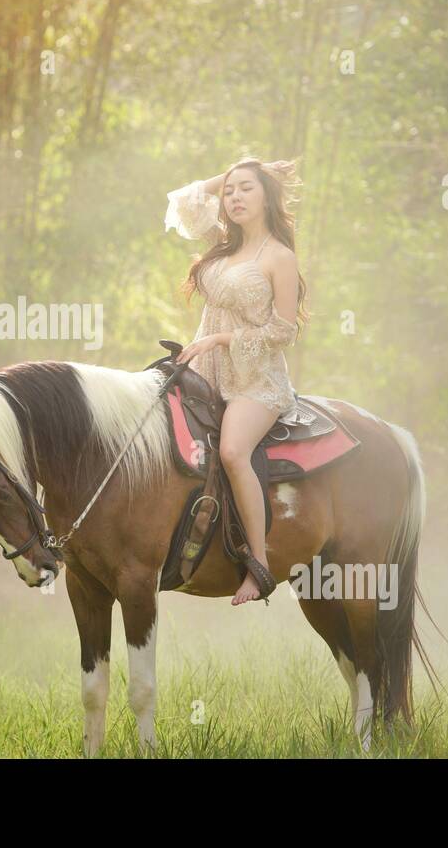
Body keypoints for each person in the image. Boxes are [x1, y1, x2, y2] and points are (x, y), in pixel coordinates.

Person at [164, 157, 309, 605]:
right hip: (204, 369)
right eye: (229, 192)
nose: (234, 197)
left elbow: (285, 331)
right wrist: (239, 170)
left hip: (254, 379)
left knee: (232, 450)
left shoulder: (279, 257)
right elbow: (183, 200)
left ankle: (259, 565)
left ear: (266, 195)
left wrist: (223, 339)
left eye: (247, 188)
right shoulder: (221, 245)